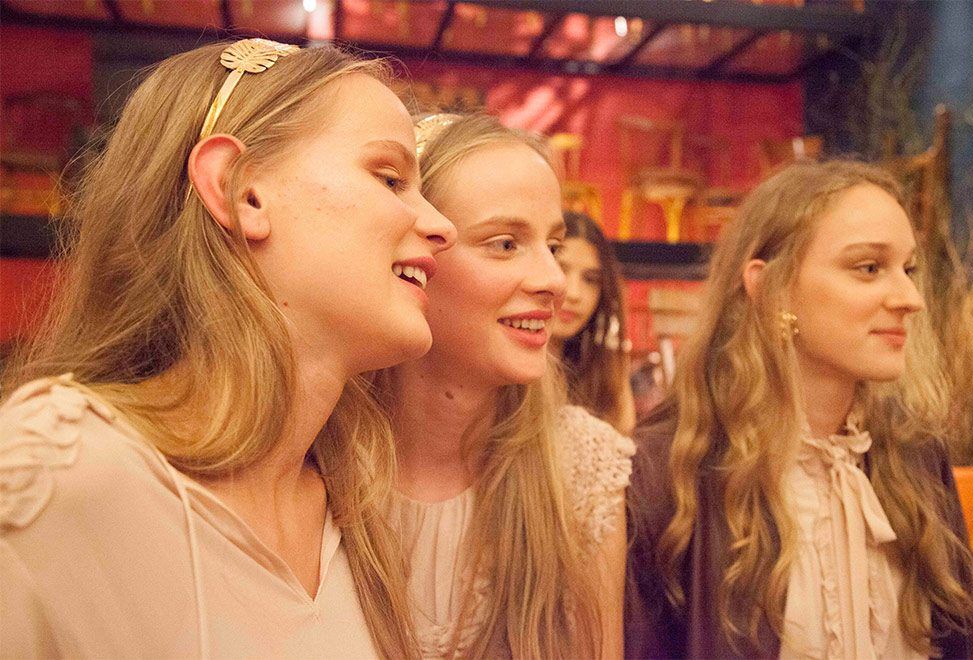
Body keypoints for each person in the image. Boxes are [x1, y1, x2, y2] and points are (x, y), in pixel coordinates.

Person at [0, 39, 455, 658]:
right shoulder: (56, 474)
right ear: (242, 190)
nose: (441, 226)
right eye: (390, 178)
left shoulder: (358, 503)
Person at [625, 160, 973, 659]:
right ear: (771, 288)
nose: (910, 298)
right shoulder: (667, 469)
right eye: (869, 268)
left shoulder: (916, 455)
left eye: (909, 269)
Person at [372, 113, 634, 658]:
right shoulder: (315, 460)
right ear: (410, 256)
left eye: (553, 246)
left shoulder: (579, 467)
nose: (554, 281)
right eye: (505, 244)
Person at [551, 210, 636, 435]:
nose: (574, 293)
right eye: (561, 269)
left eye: (590, 279)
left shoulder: (606, 375)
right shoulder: (502, 371)